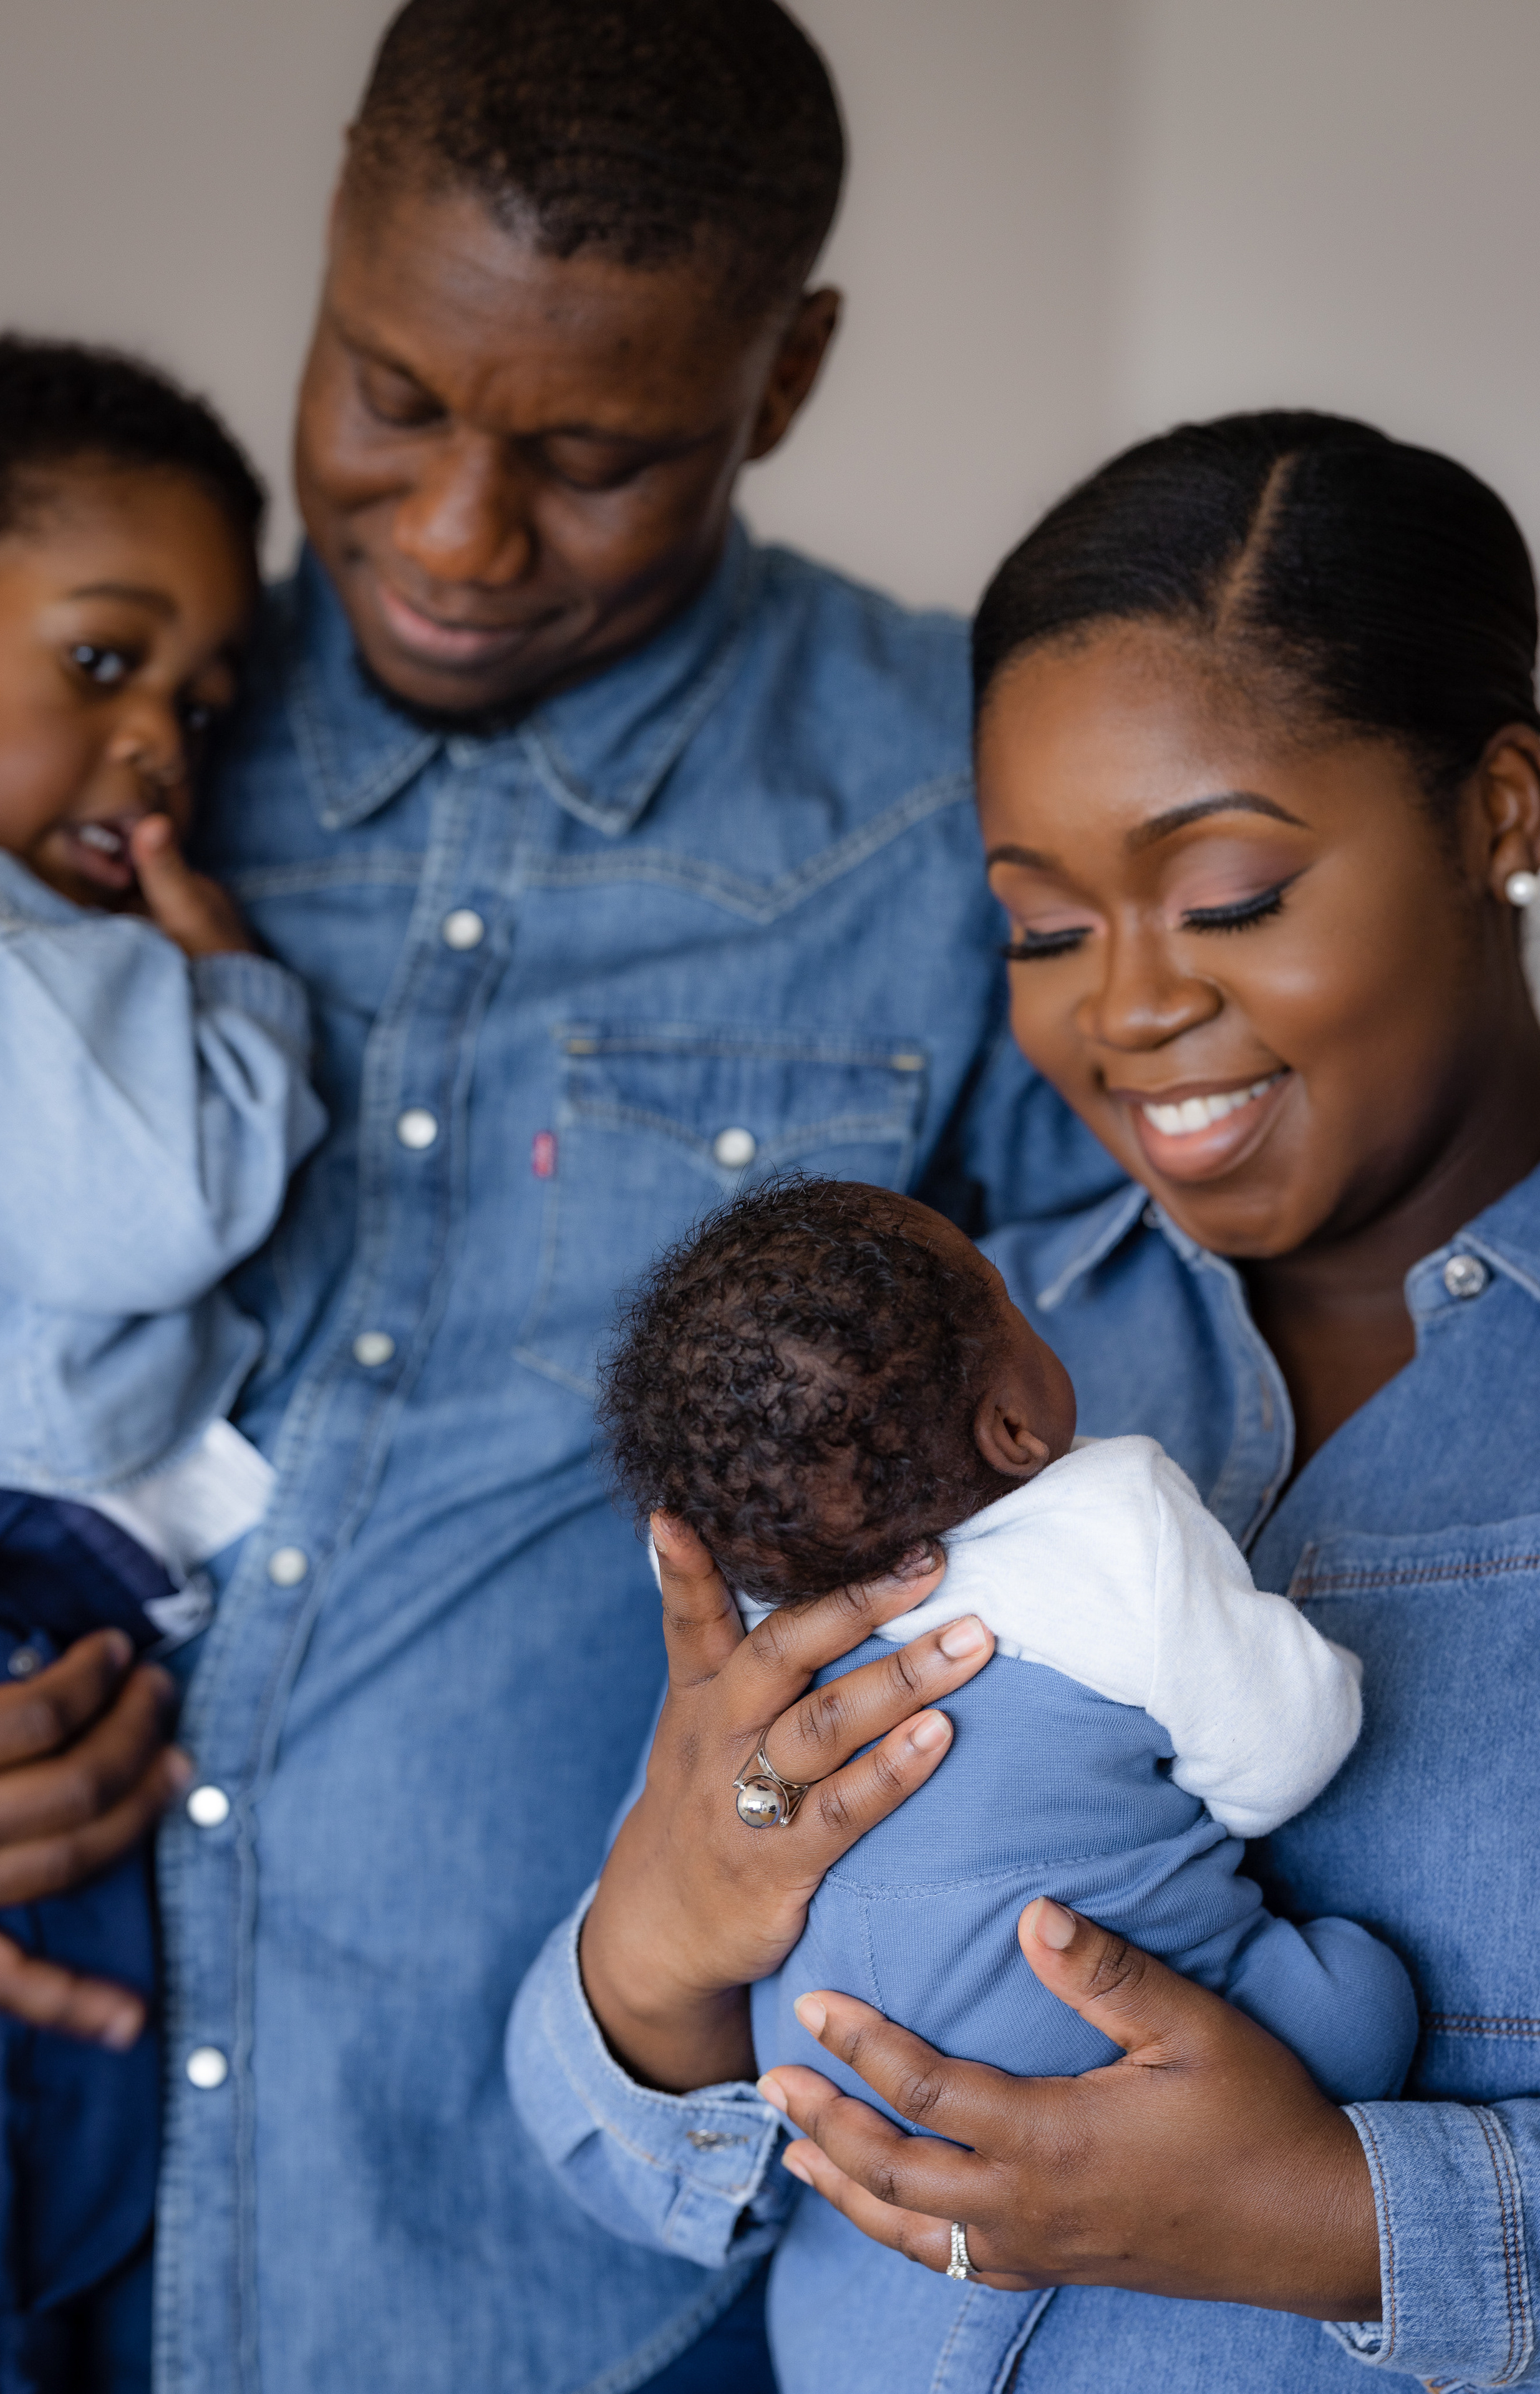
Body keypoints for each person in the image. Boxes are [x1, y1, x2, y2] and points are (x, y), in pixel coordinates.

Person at [0, 6, 1119, 2390]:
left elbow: (1126, 1507)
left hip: (581, 2281)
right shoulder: (83, 730)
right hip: (15, 2218)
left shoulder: (963, 799)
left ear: (783, 379)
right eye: (389, 397)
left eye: (590, 455)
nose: (461, 538)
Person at [510, 410, 1540, 2391]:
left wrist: (1345, 2217)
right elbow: (602, 2151)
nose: (1124, 1004)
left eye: (1227, 893)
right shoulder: (926, 1365)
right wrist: (655, 1939)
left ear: (1501, 809)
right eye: (1043, 926)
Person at [584, 1172, 1417, 2388]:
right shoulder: (1108, 1514)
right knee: (1362, 2000)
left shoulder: (771, 1625)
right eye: (1008, 1299)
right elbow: (1278, 1757)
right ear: (1013, 1428)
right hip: (1098, 2034)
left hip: (830, 2074)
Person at [0, 336, 324, 2393]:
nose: (162, 744)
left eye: (198, 698)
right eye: (100, 663)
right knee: (34, 2127)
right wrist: (239, 993)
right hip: (1, 1592)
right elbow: (164, 1204)